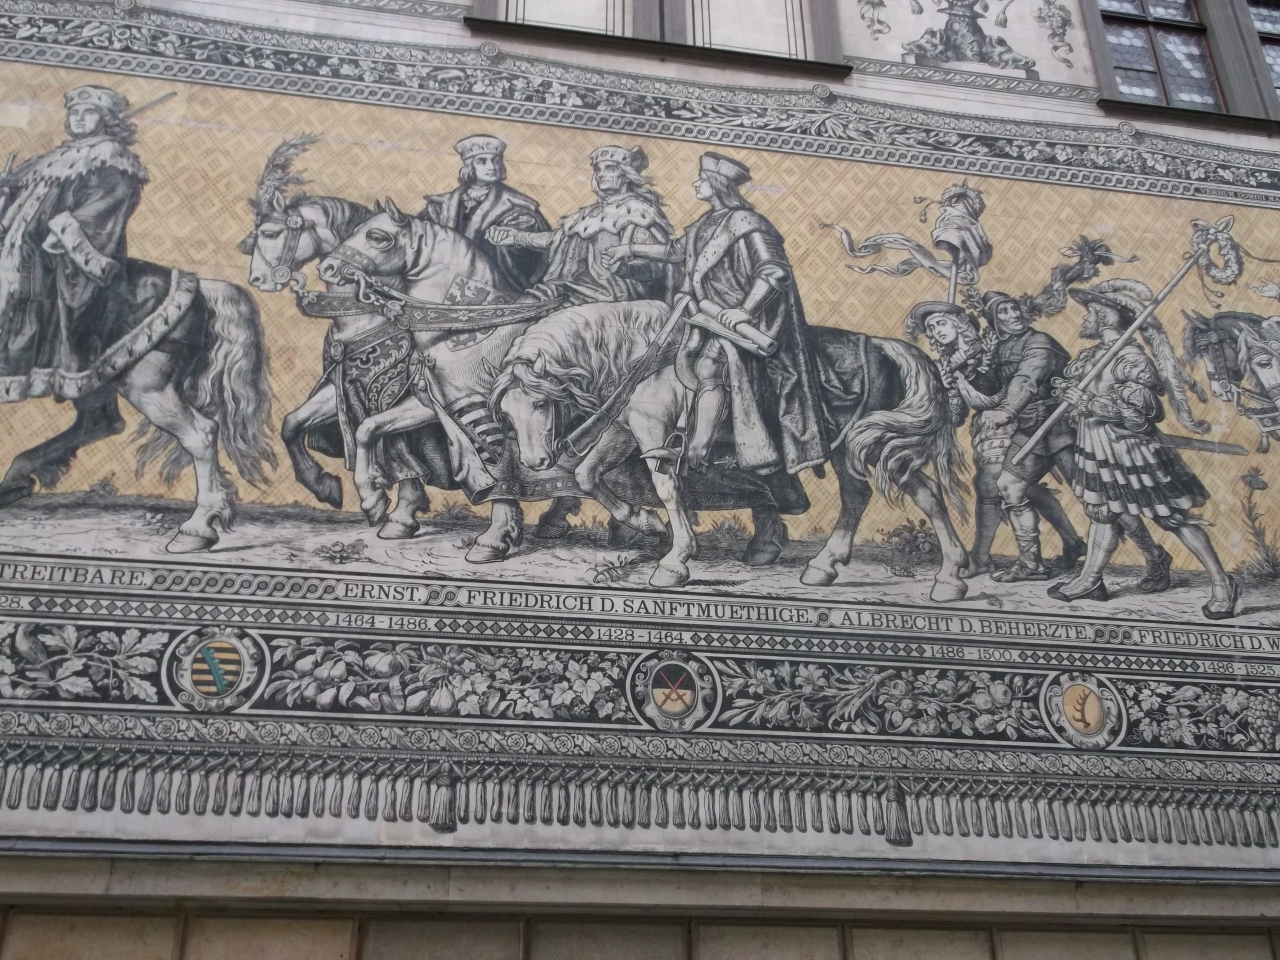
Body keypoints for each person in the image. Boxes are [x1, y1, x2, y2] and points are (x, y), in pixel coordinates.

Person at [608, 151, 828, 480]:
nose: (696, 183)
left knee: (710, 366)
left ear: (717, 184)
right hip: (706, 317)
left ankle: (697, 451)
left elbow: (774, 272)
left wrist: (744, 311)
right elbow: (674, 251)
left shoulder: (748, 223)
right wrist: (629, 249)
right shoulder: (705, 223)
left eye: (702, 179)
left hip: (746, 322)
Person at [1050, 279, 1237, 620]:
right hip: (1096, 447)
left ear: (1106, 316)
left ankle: (1223, 584)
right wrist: (1069, 393)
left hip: (1131, 450)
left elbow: (1146, 414)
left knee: (1171, 517)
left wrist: (1090, 402)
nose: (1085, 318)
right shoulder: (1093, 355)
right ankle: (1091, 580)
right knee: (1102, 512)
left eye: (1090, 312)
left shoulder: (1130, 358)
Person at [0, 85, 146, 399]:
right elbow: (24, 197)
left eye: (89, 112)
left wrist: (59, 231)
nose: (79, 118)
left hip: (61, 253)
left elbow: (106, 204)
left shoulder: (112, 157)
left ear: (106, 118)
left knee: (55, 304)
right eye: (74, 112)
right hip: (22, 250)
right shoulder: (56, 156)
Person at [977, 291, 1091, 583]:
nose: (1013, 315)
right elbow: (991, 389)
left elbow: (1026, 378)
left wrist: (1007, 411)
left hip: (1063, 427)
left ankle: (1153, 554)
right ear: (993, 320)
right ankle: (1032, 564)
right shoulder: (1001, 347)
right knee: (1009, 486)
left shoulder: (1039, 341)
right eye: (1003, 312)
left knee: (1095, 496)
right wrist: (984, 363)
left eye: (1013, 308)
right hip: (1032, 429)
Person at [488, 144, 674, 305]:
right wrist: (516, 236)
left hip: (605, 301)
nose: (601, 174)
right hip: (562, 292)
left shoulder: (637, 212)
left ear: (626, 175)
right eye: (598, 169)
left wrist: (624, 269)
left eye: (610, 168)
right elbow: (556, 240)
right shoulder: (588, 213)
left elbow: (655, 266)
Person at [419, 134, 549, 293]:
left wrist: (513, 240)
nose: (492, 166)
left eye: (496, 160)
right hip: (441, 283)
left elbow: (533, 256)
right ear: (469, 166)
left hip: (495, 288)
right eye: (482, 161)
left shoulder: (518, 207)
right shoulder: (439, 206)